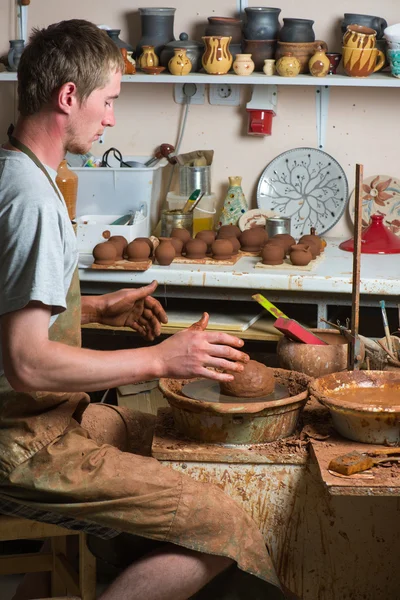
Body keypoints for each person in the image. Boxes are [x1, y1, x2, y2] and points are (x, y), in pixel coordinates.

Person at [0, 19, 287, 600]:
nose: (110, 118)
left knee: (154, 433)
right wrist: (160, 360)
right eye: (108, 101)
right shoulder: (32, 200)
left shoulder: (16, 171)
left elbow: (13, 325)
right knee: (224, 525)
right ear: (68, 97)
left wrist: (98, 309)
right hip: (23, 442)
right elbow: (26, 365)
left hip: (38, 420)